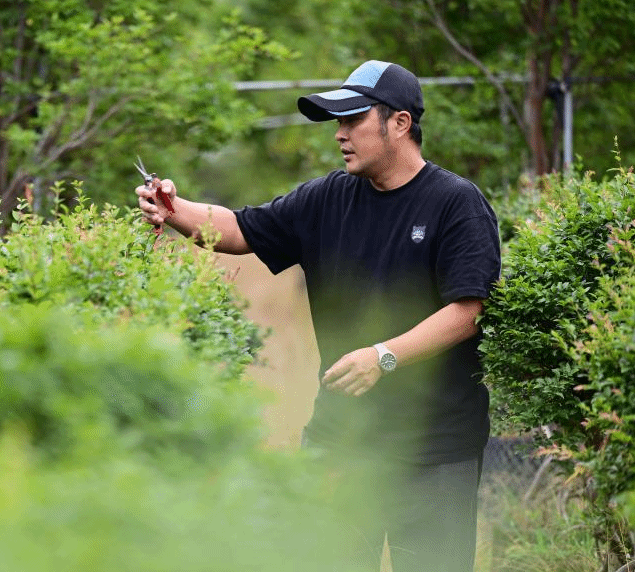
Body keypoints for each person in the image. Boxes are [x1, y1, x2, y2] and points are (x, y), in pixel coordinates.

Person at [135, 60, 500, 571]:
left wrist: (384, 356)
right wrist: (174, 209)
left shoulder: (455, 204)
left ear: (399, 123)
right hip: (341, 445)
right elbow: (240, 229)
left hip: (435, 449)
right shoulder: (328, 197)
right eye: (337, 122)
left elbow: (467, 310)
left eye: (353, 120)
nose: (340, 135)